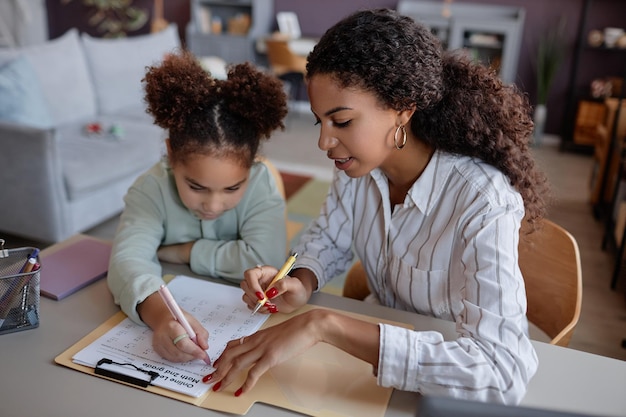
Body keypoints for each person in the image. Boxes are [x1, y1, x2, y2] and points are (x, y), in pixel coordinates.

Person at [205, 8, 551, 404]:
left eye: (343, 121)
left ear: (403, 108)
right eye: (321, 122)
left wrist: (325, 325)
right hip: (373, 368)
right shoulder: (358, 167)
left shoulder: (482, 200)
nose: (324, 143)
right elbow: (328, 240)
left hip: (445, 380)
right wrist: (300, 281)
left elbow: (502, 373)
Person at [107, 50, 288, 364]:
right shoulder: (151, 189)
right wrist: (162, 317)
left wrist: (186, 252)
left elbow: (265, 260)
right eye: (196, 187)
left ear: (253, 165)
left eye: (233, 188)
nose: (214, 205)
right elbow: (127, 262)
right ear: (171, 156)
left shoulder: (261, 184)